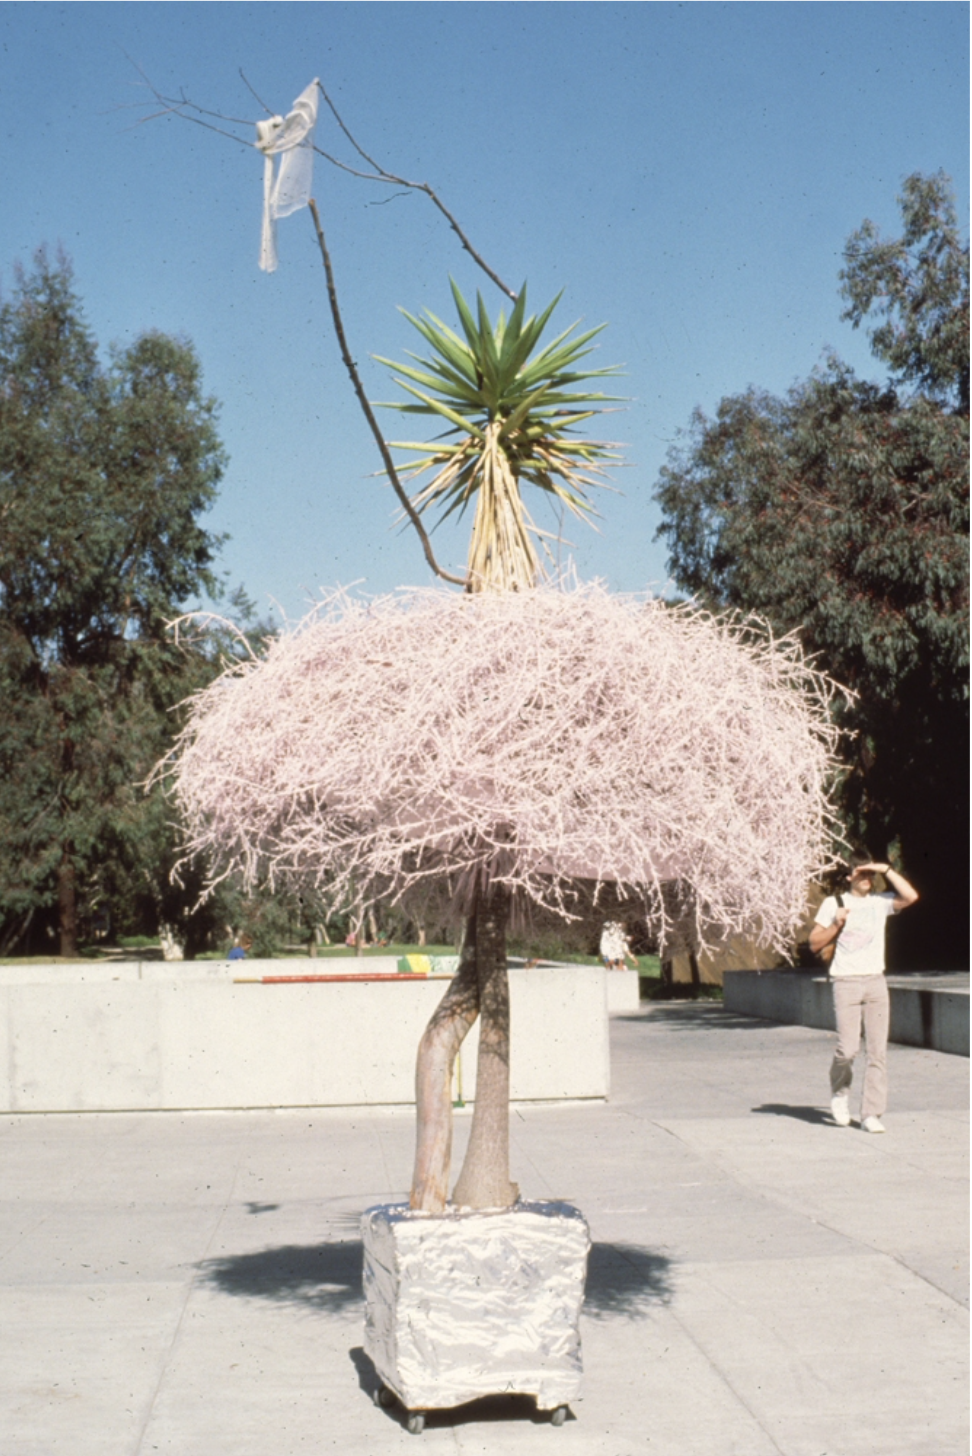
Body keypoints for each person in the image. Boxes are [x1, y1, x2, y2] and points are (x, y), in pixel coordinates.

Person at [809, 852, 919, 1133]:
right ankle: (840, 1093)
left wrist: (886, 869)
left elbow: (911, 897)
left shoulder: (880, 903)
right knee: (847, 1049)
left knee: (877, 1052)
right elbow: (814, 943)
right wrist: (837, 924)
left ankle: (871, 1113)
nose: (868, 878)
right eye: (862, 873)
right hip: (846, 981)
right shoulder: (834, 903)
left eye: (871, 874)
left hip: (875, 982)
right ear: (849, 877)